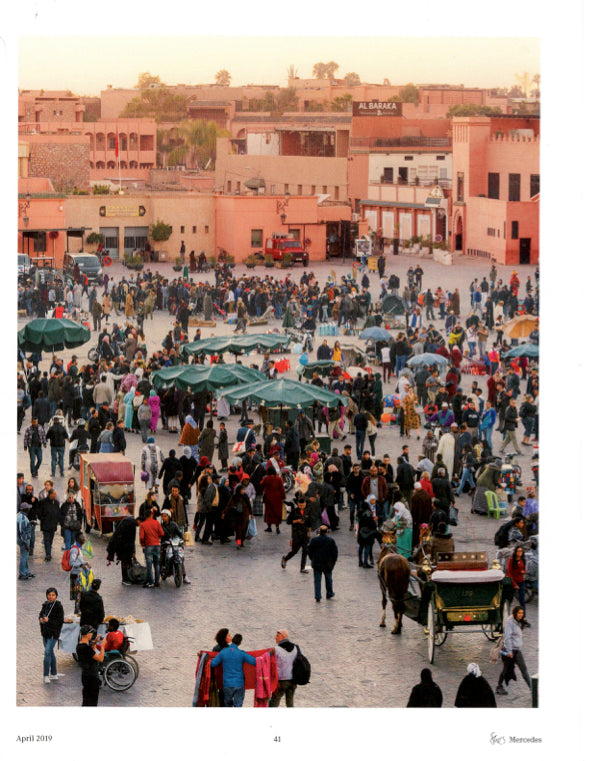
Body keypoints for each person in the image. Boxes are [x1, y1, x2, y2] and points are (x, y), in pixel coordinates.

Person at [210, 632, 257, 707]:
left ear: (232, 640)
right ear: (240, 643)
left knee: (227, 706)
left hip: (227, 684)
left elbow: (212, 664)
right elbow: (255, 662)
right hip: (239, 684)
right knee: (238, 705)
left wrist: (204, 656)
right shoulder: (242, 654)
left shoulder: (223, 652)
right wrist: (268, 654)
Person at [496, 606, 532, 695]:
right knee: (513, 670)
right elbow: (507, 638)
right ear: (515, 613)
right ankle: (532, 689)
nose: (521, 615)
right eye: (519, 613)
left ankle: (532, 689)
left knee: (518, 670)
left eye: (522, 613)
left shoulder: (518, 622)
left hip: (516, 650)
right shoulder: (510, 623)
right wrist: (509, 651)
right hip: (512, 651)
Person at [106, 504, 137, 585]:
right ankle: (125, 579)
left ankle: (127, 578)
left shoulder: (124, 521)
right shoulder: (128, 522)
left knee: (125, 562)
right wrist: (133, 551)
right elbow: (131, 539)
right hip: (123, 547)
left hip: (122, 546)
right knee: (125, 562)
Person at [269, 629, 300, 708]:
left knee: (274, 702)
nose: (275, 637)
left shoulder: (276, 649)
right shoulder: (296, 648)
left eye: (277, 636)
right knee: (290, 703)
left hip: (281, 681)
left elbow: (269, 662)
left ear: (282, 637)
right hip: (293, 680)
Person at [39, 587, 64, 683]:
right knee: (50, 652)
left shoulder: (58, 606)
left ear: (56, 596)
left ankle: (46, 675)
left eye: (53, 595)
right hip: (45, 632)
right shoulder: (45, 605)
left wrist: (49, 620)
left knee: (47, 653)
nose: (51, 597)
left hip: (53, 634)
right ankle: (54, 673)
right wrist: (41, 619)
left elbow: (60, 621)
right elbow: (41, 614)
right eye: (49, 595)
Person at [281, 493, 311, 573]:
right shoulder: (294, 512)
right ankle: (285, 558)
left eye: (303, 505)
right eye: (300, 505)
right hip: (296, 534)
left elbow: (309, 523)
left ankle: (302, 568)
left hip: (305, 534)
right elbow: (288, 521)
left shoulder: (307, 511)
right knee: (294, 551)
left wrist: (309, 533)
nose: (302, 507)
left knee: (305, 551)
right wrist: (297, 521)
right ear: (298, 504)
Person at [307, 525, 338, 602]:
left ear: (319, 532)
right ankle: (329, 593)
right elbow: (335, 553)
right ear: (327, 532)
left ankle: (318, 595)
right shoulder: (331, 540)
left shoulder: (314, 540)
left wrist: (312, 558)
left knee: (317, 580)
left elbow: (309, 550)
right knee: (328, 579)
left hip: (317, 562)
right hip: (327, 563)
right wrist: (333, 562)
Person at [160, 509, 191, 584]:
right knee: (161, 557)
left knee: (180, 558)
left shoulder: (174, 525)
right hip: (165, 544)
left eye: (165, 516)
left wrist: (183, 539)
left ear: (169, 517)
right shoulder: (160, 526)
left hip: (174, 544)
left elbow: (179, 533)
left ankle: (184, 576)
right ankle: (161, 570)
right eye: (162, 516)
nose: (163, 518)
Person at [76, 625, 105, 706]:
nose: (92, 635)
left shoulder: (79, 646)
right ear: (88, 635)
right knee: (92, 702)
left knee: (86, 700)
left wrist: (94, 643)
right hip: (92, 677)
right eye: (92, 634)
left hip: (85, 676)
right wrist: (103, 646)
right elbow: (100, 658)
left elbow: (90, 654)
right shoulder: (86, 648)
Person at [139, 508, 164, 588]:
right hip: (156, 545)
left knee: (149, 565)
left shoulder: (143, 524)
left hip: (148, 546)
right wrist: (157, 538)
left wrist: (143, 544)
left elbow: (142, 537)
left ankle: (151, 582)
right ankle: (157, 582)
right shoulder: (156, 522)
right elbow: (162, 533)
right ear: (151, 515)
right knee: (157, 564)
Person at [261, 465, 286, 534]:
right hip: (278, 497)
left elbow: (261, 484)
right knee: (277, 512)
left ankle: (269, 527)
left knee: (269, 512)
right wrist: (283, 497)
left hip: (268, 497)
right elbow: (282, 489)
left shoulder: (266, 478)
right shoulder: (278, 479)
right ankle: (277, 527)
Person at [17, 502, 34, 580]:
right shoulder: (23, 518)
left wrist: (30, 524)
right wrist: (25, 543)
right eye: (28, 508)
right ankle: (22, 573)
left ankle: (26, 571)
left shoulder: (19, 516)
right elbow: (22, 531)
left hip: (21, 539)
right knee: (24, 556)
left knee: (25, 556)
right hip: (24, 540)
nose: (29, 509)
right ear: (25, 509)